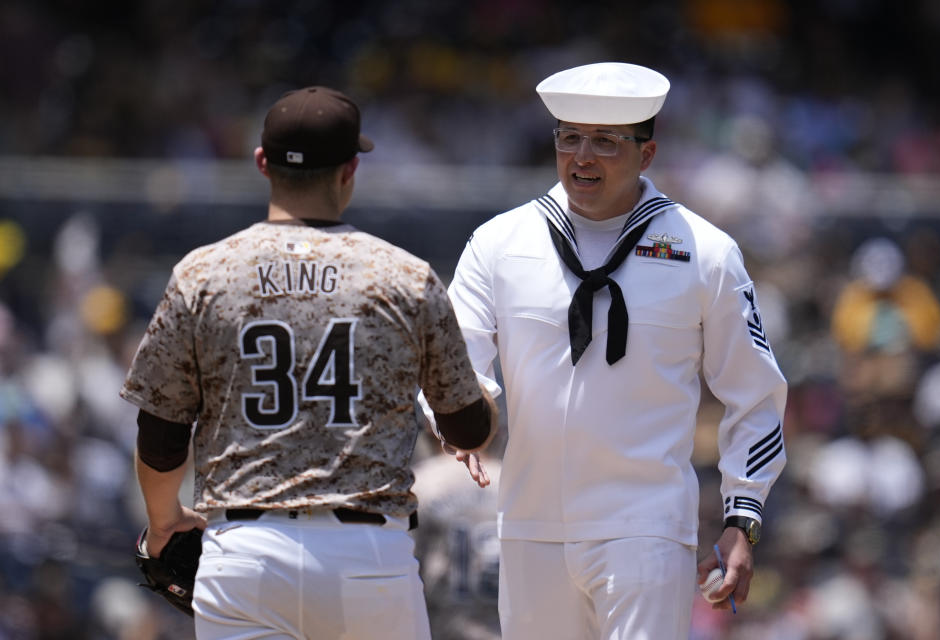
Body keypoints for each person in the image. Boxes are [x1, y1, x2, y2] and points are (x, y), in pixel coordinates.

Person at [420, 62, 789, 639]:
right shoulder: (499, 244)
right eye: (569, 137)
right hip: (527, 525)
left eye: (605, 142)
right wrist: (457, 420)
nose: (582, 156)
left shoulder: (707, 253)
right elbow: (451, 360)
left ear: (647, 154)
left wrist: (744, 517)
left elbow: (757, 392)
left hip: (646, 527)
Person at [120, 85, 497, 640]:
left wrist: (163, 522)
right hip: (368, 554)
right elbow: (468, 428)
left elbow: (160, 431)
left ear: (262, 164)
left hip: (244, 553)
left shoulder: (203, 274)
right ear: (350, 170)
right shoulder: (403, 277)